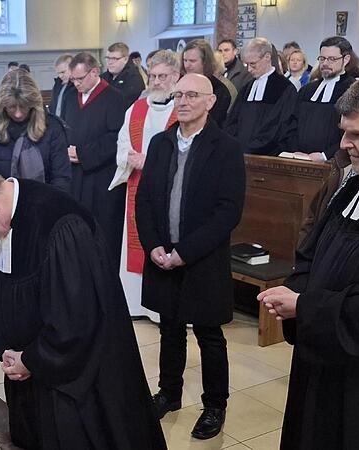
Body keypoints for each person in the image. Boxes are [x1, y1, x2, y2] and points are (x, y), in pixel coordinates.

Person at [0, 168, 167, 450]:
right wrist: (7, 352)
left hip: (75, 378)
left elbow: (76, 318)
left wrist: (32, 361)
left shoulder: (60, 221)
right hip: (25, 372)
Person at [258, 70, 359, 450]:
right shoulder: (355, 184)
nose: (344, 145)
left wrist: (307, 307)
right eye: (343, 132)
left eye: (356, 134)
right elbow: (311, 252)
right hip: (324, 359)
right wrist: (294, 290)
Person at [136, 73, 245, 440]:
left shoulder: (226, 147)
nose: (182, 101)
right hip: (162, 253)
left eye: (191, 95)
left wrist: (184, 252)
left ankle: (215, 404)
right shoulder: (161, 143)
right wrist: (153, 245)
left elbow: (228, 212)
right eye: (178, 94)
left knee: (208, 333)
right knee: (169, 327)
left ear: (210, 102)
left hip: (201, 258)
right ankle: (169, 392)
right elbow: (145, 200)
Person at [109, 49, 181, 321]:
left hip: (171, 189)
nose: (156, 82)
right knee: (137, 240)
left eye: (163, 76)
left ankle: (164, 308)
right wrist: (130, 157)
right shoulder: (136, 108)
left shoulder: (182, 109)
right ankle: (135, 304)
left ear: (175, 76)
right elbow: (122, 142)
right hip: (138, 185)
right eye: (152, 76)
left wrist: (149, 160)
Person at [62, 52, 127, 273]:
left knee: (101, 228)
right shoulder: (71, 96)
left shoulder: (114, 98)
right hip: (75, 175)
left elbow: (116, 137)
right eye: (73, 79)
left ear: (95, 72)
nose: (76, 83)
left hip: (100, 175)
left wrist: (83, 154)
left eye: (80, 78)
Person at [0, 69, 71, 191]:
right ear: (2, 105)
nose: (18, 114)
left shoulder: (52, 127)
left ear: (33, 103)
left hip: (45, 202)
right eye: (12, 107)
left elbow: (61, 178)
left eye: (24, 106)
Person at [286, 37, 357, 161]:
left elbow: (352, 131)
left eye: (332, 59)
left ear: (346, 60)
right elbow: (292, 122)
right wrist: (295, 150)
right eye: (322, 58)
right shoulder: (307, 90)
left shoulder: (353, 91)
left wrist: (325, 155)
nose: (325, 63)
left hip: (333, 162)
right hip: (300, 158)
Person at [225, 37, 297, 155]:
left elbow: (278, 126)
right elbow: (233, 120)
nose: (249, 69)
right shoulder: (247, 88)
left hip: (267, 156)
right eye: (246, 64)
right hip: (238, 153)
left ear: (267, 57)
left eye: (253, 64)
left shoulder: (284, 89)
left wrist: (252, 148)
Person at [181, 39, 232, 125]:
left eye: (192, 61)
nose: (187, 65)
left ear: (205, 62)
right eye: (185, 60)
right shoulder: (180, 84)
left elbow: (215, 123)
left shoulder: (220, 90)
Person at [101, 42, 146, 108]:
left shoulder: (134, 79)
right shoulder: (103, 77)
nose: (110, 62)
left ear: (125, 59)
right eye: (107, 58)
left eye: (114, 59)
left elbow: (122, 104)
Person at [48, 53, 75, 120]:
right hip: (58, 125)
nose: (60, 76)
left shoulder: (78, 86)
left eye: (63, 72)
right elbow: (53, 105)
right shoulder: (57, 84)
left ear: (72, 68)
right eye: (58, 73)